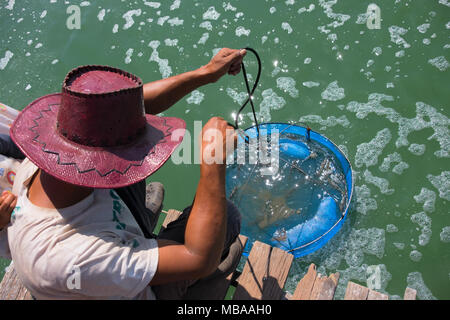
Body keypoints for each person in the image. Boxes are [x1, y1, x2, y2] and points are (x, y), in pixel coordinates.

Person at [0, 48, 247, 299]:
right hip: (123, 284)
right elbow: (197, 258)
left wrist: (205, 73)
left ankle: (138, 229)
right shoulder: (75, 258)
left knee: (134, 169)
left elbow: (128, 112)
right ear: (102, 162)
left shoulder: (46, 155)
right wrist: (213, 163)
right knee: (228, 220)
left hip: (101, 237)